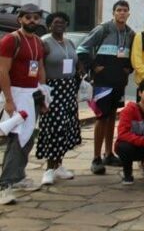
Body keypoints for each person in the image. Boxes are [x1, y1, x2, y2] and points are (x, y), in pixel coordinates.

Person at [76, 0, 135, 176]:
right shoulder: (103, 29)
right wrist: (93, 66)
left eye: (125, 10)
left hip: (119, 81)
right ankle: (96, 157)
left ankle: (109, 153)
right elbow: (82, 49)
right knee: (101, 117)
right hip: (102, 82)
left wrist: (129, 68)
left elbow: (133, 55)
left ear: (129, 13)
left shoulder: (130, 33)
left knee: (111, 118)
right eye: (119, 10)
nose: (122, 13)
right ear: (113, 12)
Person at [0, 4, 46, 203]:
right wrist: (9, 100)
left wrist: (44, 96)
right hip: (17, 95)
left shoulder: (37, 41)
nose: (32, 21)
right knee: (16, 139)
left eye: (35, 17)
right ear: (20, 19)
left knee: (27, 139)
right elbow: (2, 71)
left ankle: (18, 177)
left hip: (33, 95)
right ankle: (5, 185)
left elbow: (40, 69)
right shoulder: (11, 40)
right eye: (28, 17)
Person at [37, 12, 82, 186]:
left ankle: (59, 165)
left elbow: (75, 60)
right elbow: (38, 64)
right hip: (52, 89)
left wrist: (81, 69)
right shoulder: (45, 42)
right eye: (56, 23)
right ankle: (49, 168)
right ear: (49, 25)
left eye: (62, 22)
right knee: (53, 127)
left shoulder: (69, 42)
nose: (59, 25)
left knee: (65, 127)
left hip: (68, 89)